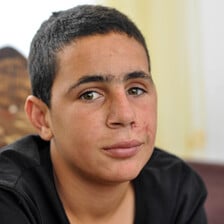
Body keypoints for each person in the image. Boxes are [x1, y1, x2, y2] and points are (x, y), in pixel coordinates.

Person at [0, 4, 207, 224]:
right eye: (89, 95)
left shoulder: (178, 188)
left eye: (136, 89)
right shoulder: (10, 200)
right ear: (42, 117)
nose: (125, 115)